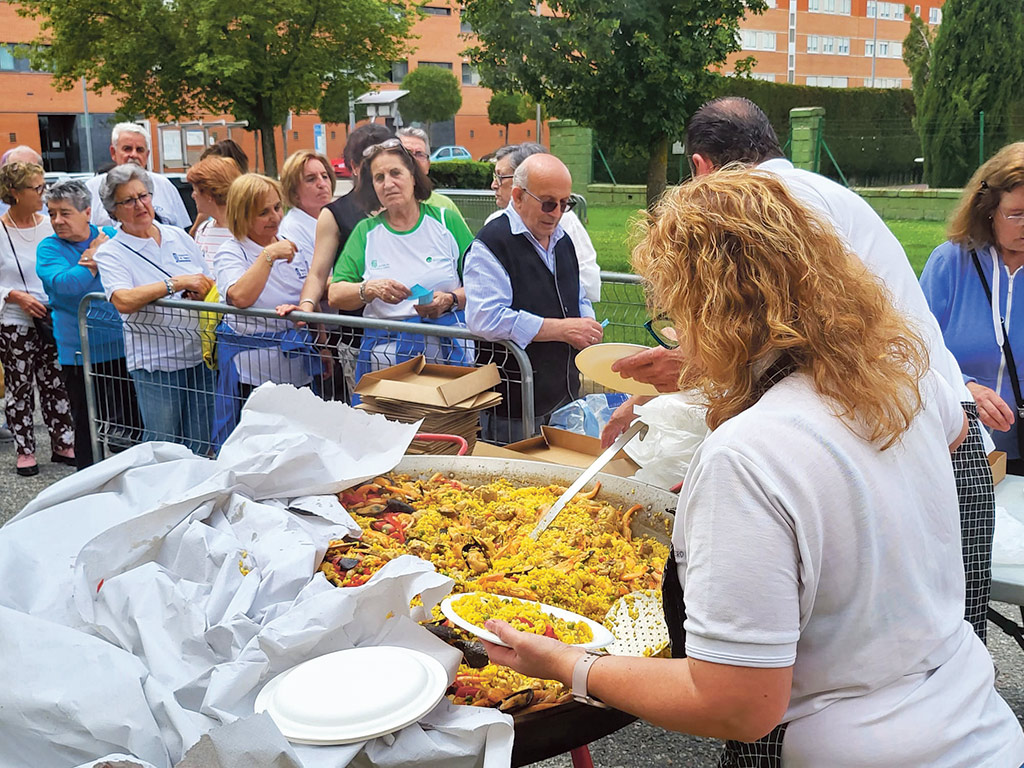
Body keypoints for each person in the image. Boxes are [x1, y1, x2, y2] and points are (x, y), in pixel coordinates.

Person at [483, 168, 1024, 767]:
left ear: (709, 309)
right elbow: (939, 444)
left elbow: (739, 705)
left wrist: (568, 663)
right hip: (979, 724)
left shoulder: (749, 455)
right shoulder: (904, 375)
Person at [605, 97, 996, 654]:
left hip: (917, 437)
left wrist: (580, 670)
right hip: (929, 426)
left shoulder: (769, 209)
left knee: (810, 660)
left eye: (681, 311)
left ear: (698, 166)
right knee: (924, 647)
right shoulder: (811, 199)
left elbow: (768, 344)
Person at [464, 153, 603, 442]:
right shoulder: (491, 243)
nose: (557, 212)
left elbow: (577, 296)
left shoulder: (563, 238)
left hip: (563, 394)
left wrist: (586, 323)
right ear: (518, 196)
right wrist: (562, 329)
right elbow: (484, 319)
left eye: (566, 204)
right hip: (512, 405)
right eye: (549, 203)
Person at [327, 138, 473, 383]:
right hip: (386, 364)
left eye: (396, 173)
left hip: (448, 361)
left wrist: (450, 300)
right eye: (379, 178)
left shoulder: (447, 223)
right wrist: (369, 289)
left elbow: (482, 283)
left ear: (413, 177)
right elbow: (336, 293)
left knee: (447, 423)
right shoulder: (366, 232)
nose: (388, 184)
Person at [92, 164, 215, 456]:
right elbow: (123, 299)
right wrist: (174, 283)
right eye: (129, 201)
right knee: (163, 448)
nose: (140, 205)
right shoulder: (112, 252)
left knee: (202, 445)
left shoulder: (178, 236)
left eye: (144, 196)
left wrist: (200, 290)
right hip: (156, 363)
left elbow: (208, 280)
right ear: (114, 209)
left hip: (199, 356)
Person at [921, 142, 1024, 475]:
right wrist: (963, 387)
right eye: (1016, 215)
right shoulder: (949, 263)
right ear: (989, 209)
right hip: (953, 447)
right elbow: (910, 350)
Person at [35, 180, 142, 469]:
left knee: (131, 422)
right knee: (86, 427)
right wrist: (93, 257)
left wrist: (92, 258)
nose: (57, 221)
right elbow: (65, 286)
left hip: (122, 348)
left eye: (65, 213)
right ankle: (90, 486)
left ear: (86, 212)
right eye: (52, 212)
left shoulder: (112, 235)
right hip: (79, 353)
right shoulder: (48, 249)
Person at [211, 174, 316, 446]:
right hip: (251, 373)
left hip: (295, 366)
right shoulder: (231, 251)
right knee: (256, 445)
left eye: (277, 207)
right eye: (263, 212)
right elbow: (239, 296)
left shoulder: (293, 246)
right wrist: (268, 256)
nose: (274, 217)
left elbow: (309, 288)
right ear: (242, 214)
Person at [0, 161, 75, 475]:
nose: (43, 195)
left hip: (50, 315)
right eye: (37, 188)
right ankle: (25, 449)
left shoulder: (49, 225)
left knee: (56, 381)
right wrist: (15, 295)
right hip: (14, 319)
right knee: (19, 386)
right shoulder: (1, 230)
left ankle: (63, 441)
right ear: (15, 193)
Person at [488, 143, 601, 302]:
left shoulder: (563, 222)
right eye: (494, 177)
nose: (494, 185)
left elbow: (588, 286)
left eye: (500, 176)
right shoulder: (492, 230)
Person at [86, 123, 192, 229]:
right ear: (113, 152)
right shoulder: (93, 188)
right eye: (127, 149)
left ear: (147, 155)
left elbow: (181, 229)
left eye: (140, 150)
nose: (134, 155)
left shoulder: (164, 185)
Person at [396, 127, 468, 224]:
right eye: (407, 153)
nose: (413, 159)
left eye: (419, 154)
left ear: (428, 165)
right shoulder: (385, 204)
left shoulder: (445, 206)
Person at [277, 149, 336, 260]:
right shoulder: (292, 229)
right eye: (311, 179)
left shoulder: (336, 216)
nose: (322, 184)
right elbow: (312, 276)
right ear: (293, 191)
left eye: (324, 176)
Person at [185, 156, 242, 268]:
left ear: (208, 195)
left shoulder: (246, 231)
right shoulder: (203, 230)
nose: (193, 195)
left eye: (195, 190)